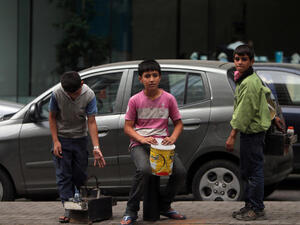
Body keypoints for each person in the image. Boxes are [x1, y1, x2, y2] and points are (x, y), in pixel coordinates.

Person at [120, 59, 186, 225]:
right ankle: (131, 211)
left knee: (180, 172)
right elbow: (127, 128)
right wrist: (142, 139)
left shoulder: (169, 99)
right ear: (140, 79)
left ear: (160, 77)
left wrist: (172, 138)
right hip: (139, 145)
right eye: (147, 76)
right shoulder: (135, 100)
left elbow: (178, 124)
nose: (151, 79)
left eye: (155, 75)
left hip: (162, 146)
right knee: (144, 170)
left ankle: (165, 206)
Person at [49, 71, 106, 223]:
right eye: (70, 94)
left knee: (79, 175)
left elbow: (92, 121)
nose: (73, 97)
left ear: (81, 84)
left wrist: (96, 147)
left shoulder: (89, 95)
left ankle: (79, 204)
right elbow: (52, 117)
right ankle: (69, 210)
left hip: (80, 139)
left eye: (76, 93)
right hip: (62, 139)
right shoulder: (56, 94)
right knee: (63, 175)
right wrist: (55, 141)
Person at [226, 45, 271, 221]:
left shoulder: (250, 82)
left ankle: (257, 208)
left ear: (251, 61)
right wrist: (273, 116)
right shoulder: (247, 79)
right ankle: (250, 205)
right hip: (251, 133)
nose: (239, 62)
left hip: (253, 133)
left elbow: (243, 112)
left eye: (244, 59)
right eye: (237, 59)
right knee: (248, 170)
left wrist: (232, 135)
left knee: (254, 171)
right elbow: (267, 95)